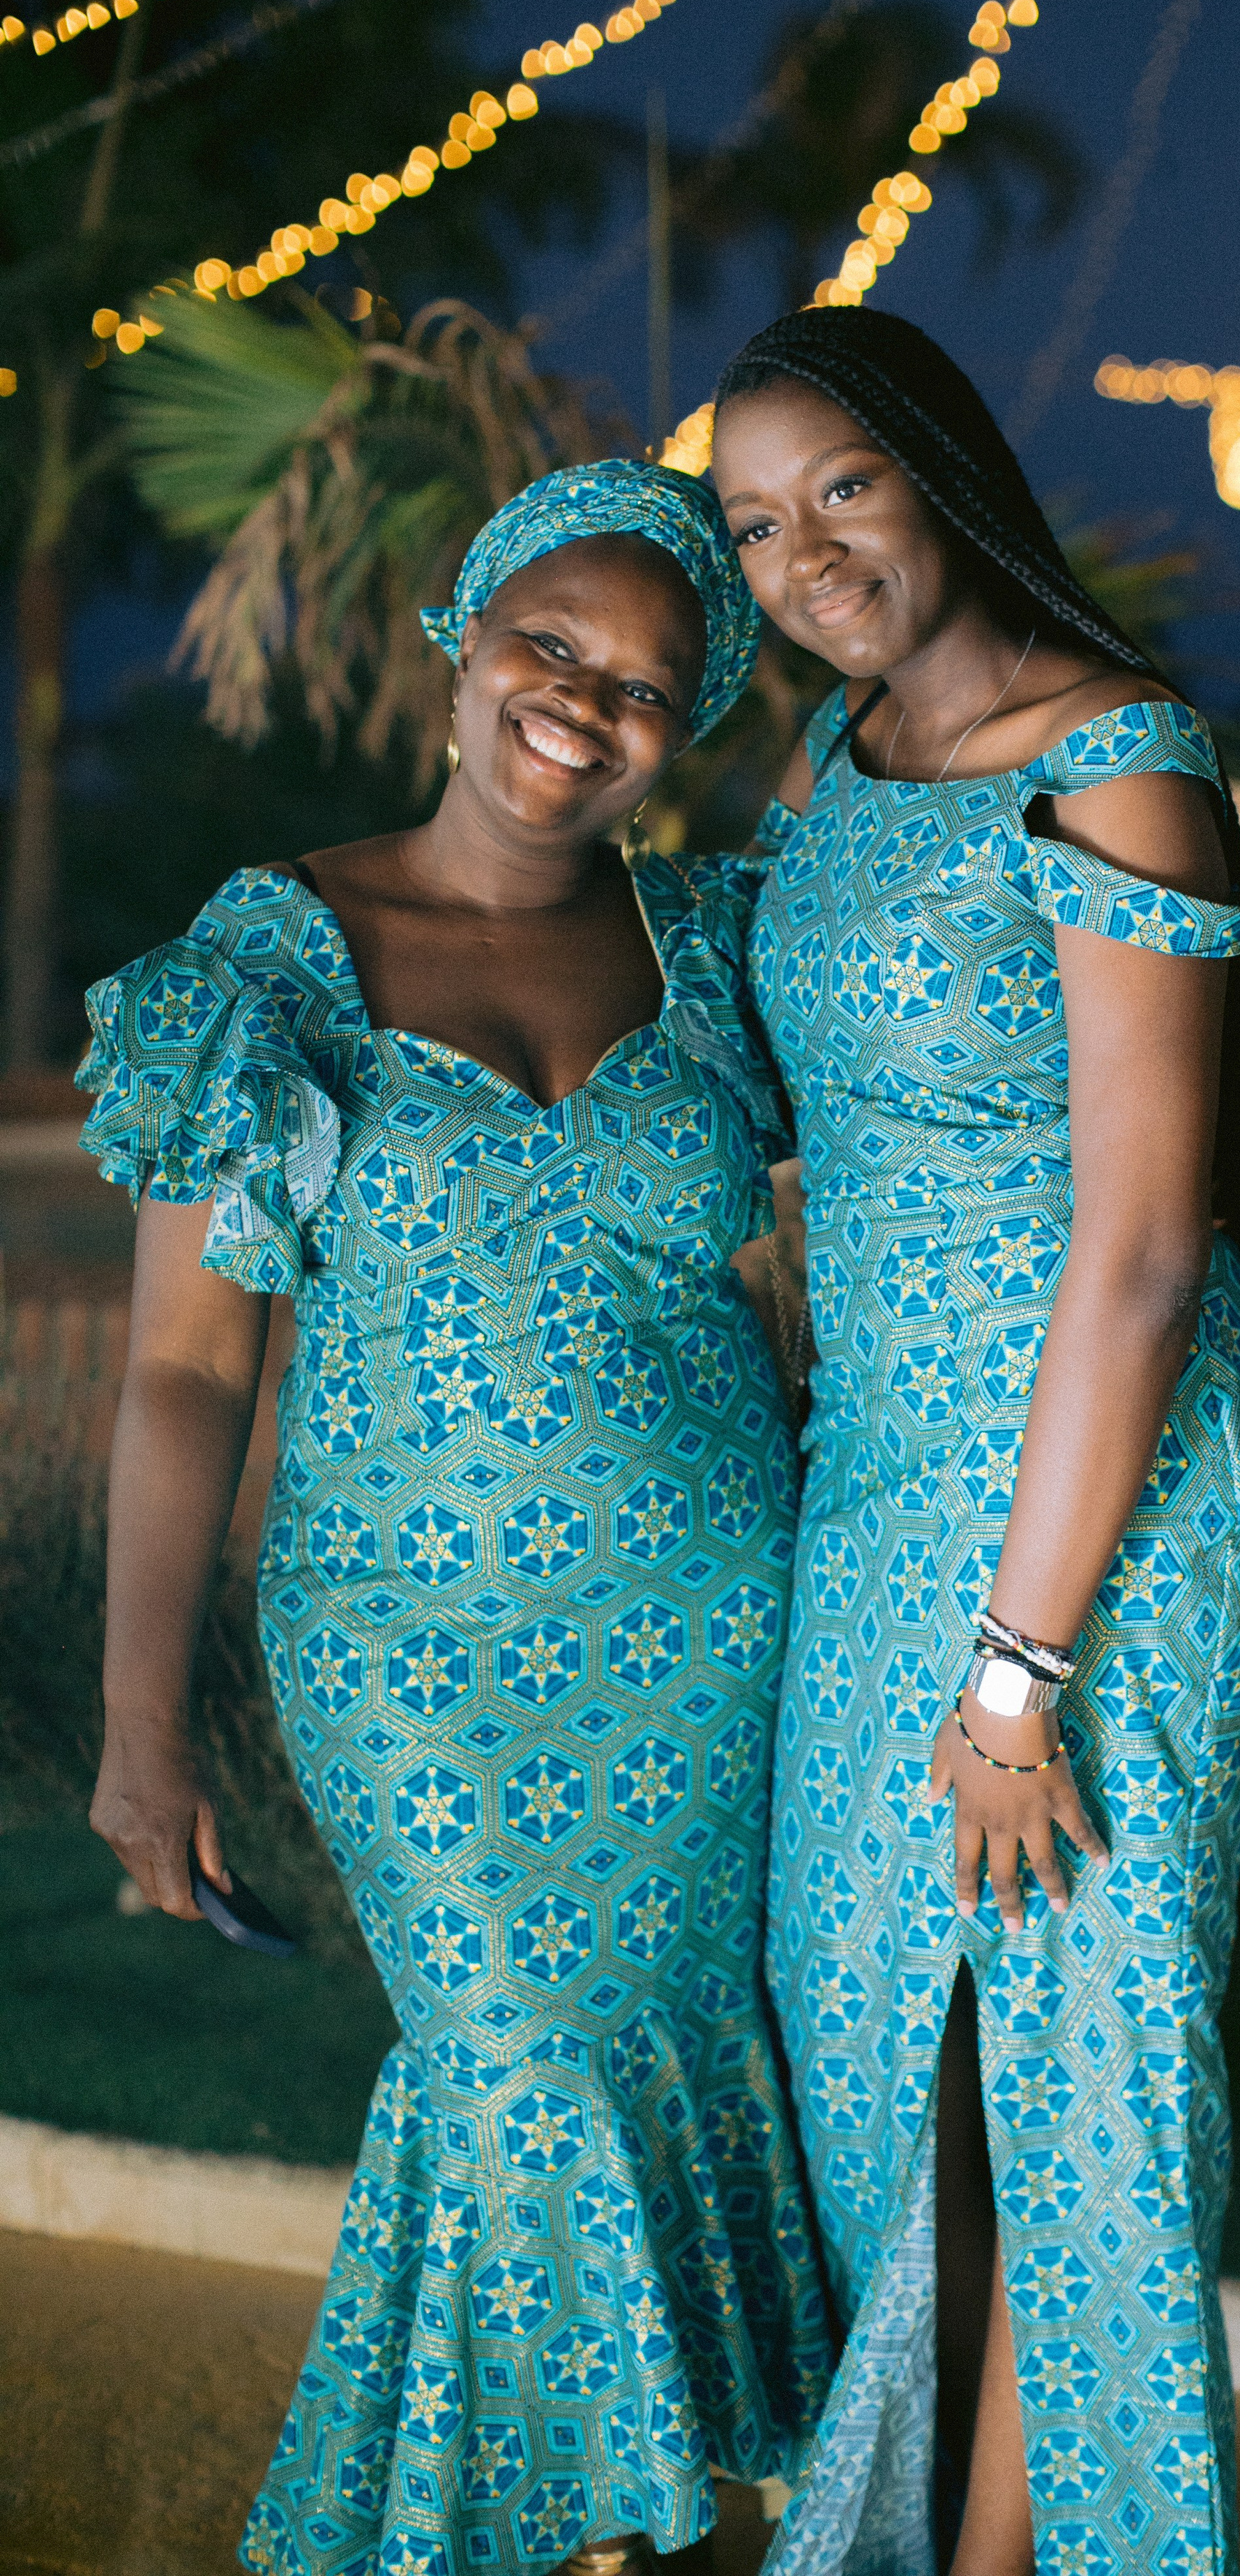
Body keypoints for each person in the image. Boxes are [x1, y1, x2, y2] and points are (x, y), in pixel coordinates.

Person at [707, 310, 1240, 2576]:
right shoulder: (820, 763)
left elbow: (1135, 1250)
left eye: (840, 490)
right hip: (885, 1480)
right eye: (750, 521)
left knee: (1074, 2082)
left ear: (936, 469)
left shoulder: (1118, 757)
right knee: (872, 2043)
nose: (803, 552)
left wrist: (1021, 1672)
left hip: (1115, 1500)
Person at [79, 462, 829, 2576]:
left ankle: (617, 2535)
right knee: (522, 2073)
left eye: (649, 686)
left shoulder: (723, 951)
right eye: (552, 647)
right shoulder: (274, 964)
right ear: (463, 637)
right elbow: (182, 1371)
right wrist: (148, 1728)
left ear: (688, 735)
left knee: (667, 2080)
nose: (587, 705)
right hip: (417, 1658)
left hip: (714, 1637)